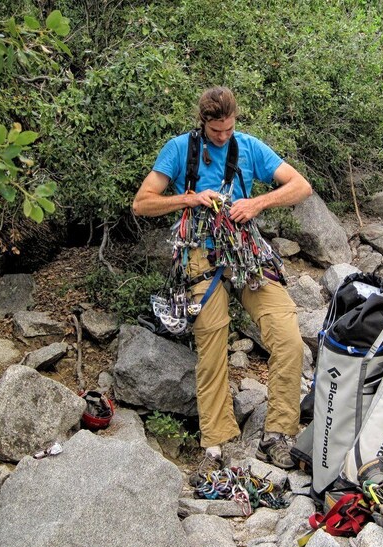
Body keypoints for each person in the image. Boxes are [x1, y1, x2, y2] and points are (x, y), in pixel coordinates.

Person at [132, 87, 312, 475]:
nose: (223, 136)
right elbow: (142, 202)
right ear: (204, 123)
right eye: (216, 131)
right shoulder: (179, 150)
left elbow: (301, 186)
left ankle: (279, 433)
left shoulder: (249, 147)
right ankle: (218, 441)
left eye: (228, 129)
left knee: (288, 337)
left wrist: (257, 203)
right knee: (211, 344)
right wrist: (189, 199)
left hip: (245, 251)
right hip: (200, 253)